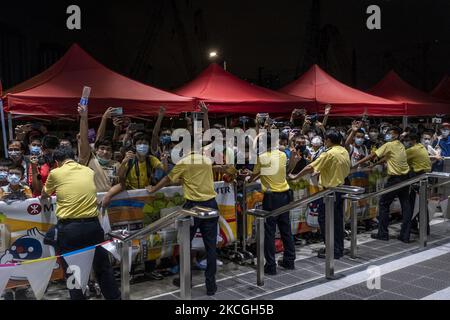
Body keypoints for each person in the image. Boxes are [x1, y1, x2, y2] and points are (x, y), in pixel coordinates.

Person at [40, 146, 120, 300]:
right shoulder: (88, 170)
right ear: (73, 157)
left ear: (57, 162)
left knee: (72, 270)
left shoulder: (56, 172)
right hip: (93, 226)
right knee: (102, 267)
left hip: (70, 229)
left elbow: (45, 194)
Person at [146, 135, 219, 296]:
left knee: (184, 243)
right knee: (211, 247)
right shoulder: (206, 160)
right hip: (211, 204)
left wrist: (153, 189)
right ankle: (211, 285)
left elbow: (167, 178)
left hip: (193, 207)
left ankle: (185, 278)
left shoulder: (184, 162)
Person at [289, 130, 350, 259]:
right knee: (337, 220)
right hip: (341, 189)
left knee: (326, 220)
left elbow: (310, 167)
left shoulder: (328, 153)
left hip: (330, 191)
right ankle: (338, 248)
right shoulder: (343, 151)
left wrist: (295, 176)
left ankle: (332, 249)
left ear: (328, 140)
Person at [246, 133, 296, 274]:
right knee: (286, 229)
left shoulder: (261, 157)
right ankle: (289, 260)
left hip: (271, 197)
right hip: (286, 195)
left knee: (269, 232)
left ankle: (271, 265)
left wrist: (247, 178)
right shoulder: (281, 155)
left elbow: (253, 177)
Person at [353, 126, 412, 243]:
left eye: (390, 133)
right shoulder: (400, 145)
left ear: (395, 134)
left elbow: (372, 155)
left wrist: (356, 164)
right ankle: (405, 235)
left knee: (383, 204)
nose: (387, 135)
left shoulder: (389, 145)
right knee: (406, 206)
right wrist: (374, 165)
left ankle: (383, 234)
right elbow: (387, 157)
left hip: (395, 179)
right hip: (405, 178)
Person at [404, 132, 432, 234]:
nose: (407, 143)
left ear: (413, 140)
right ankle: (425, 229)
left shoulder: (412, 150)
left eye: (408, 140)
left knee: (413, 204)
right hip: (424, 177)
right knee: (422, 204)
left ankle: (413, 227)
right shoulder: (421, 147)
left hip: (416, 177)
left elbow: (400, 159)